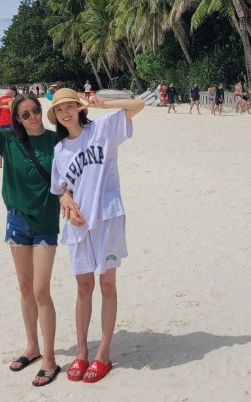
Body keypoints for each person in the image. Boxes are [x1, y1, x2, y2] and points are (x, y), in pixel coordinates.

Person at [0, 92, 74, 388]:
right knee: (25, 287)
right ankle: (32, 347)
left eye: (35, 110)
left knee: (41, 290)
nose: (32, 117)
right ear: (16, 118)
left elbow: (68, 175)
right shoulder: (6, 139)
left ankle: (50, 359)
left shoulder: (57, 140)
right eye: (25, 114)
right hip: (17, 219)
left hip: (44, 221)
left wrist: (67, 194)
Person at [49, 87, 144, 384]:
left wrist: (105, 103)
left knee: (107, 284)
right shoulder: (60, 149)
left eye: (69, 107)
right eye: (59, 110)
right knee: (83, 288)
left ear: (79, 107)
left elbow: (138, 105)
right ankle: (81, 353)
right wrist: (65, 199)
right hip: (78, 224)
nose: (65, 113)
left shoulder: (103, 128)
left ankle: (103, 354)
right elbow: (61, 188)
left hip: (108, 215)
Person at [0, 88, 16, 169]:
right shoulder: (7, 98)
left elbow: (9, 105)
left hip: (4, 122)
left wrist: (0, 104)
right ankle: (3, 163)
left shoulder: (6, 99)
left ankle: (2, 163)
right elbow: (9, 105)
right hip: (4, 122)